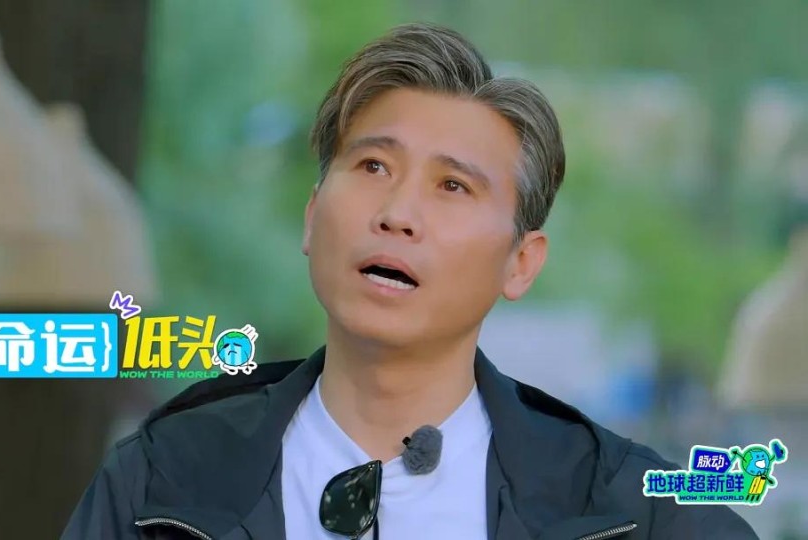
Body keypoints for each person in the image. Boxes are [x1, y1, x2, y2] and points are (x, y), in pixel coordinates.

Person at [62, 23, 758, 540]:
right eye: (373, 167)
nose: (397, 214)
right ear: (312, 217)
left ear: (521, 262)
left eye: (452, 186)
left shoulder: (636, 513)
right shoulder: (161, 480)